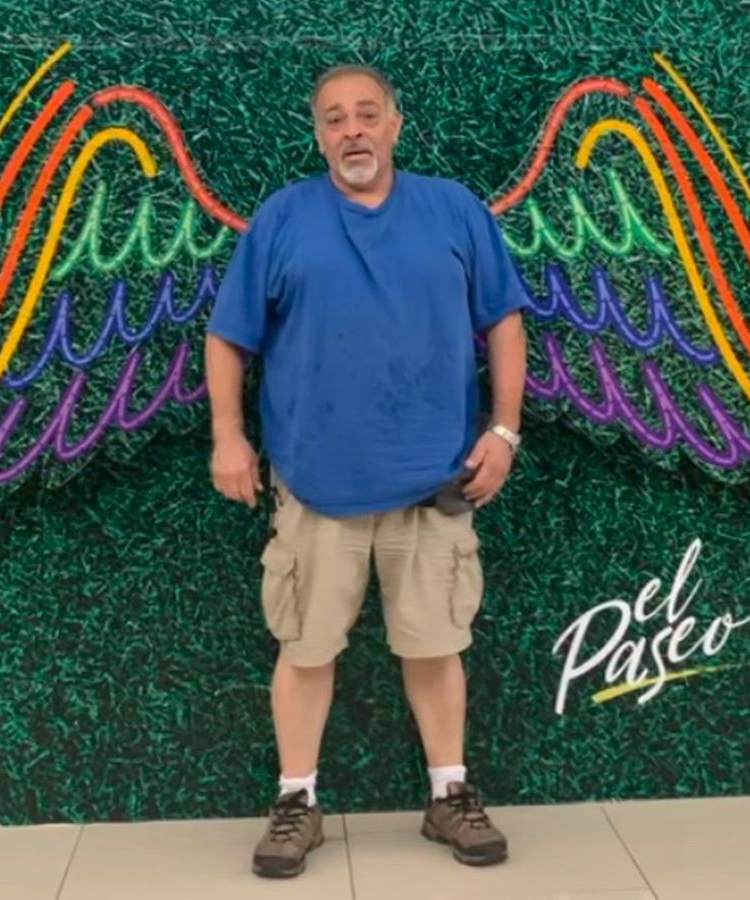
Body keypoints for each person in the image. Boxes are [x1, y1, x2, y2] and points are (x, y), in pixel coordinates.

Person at [204, 62, 528, 879]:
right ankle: (296, 802)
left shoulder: (454, 210)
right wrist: (228, 436)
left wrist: (504, 430)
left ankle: (449, 794)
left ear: (394, 124)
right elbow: (228, 335)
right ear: (319, 135)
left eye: (366, 114)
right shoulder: (282, 218)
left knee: (436, 645)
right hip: (317, 482)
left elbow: (504, 320)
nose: (352, 130)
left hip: (436, 479)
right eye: (334, 118)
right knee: (306, 648)